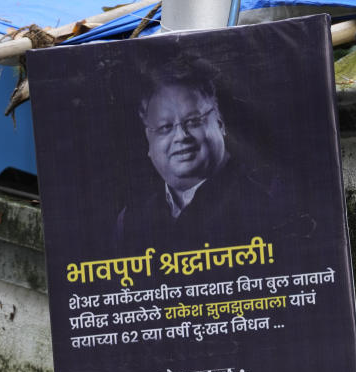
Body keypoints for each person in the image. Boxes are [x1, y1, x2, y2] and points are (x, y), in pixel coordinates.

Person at [114, 55, 282, 254]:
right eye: (165, 127)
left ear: (220, 123)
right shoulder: (131, 220)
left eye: (193, 121)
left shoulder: (265, 200)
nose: (181, 136)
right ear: (148, 140)